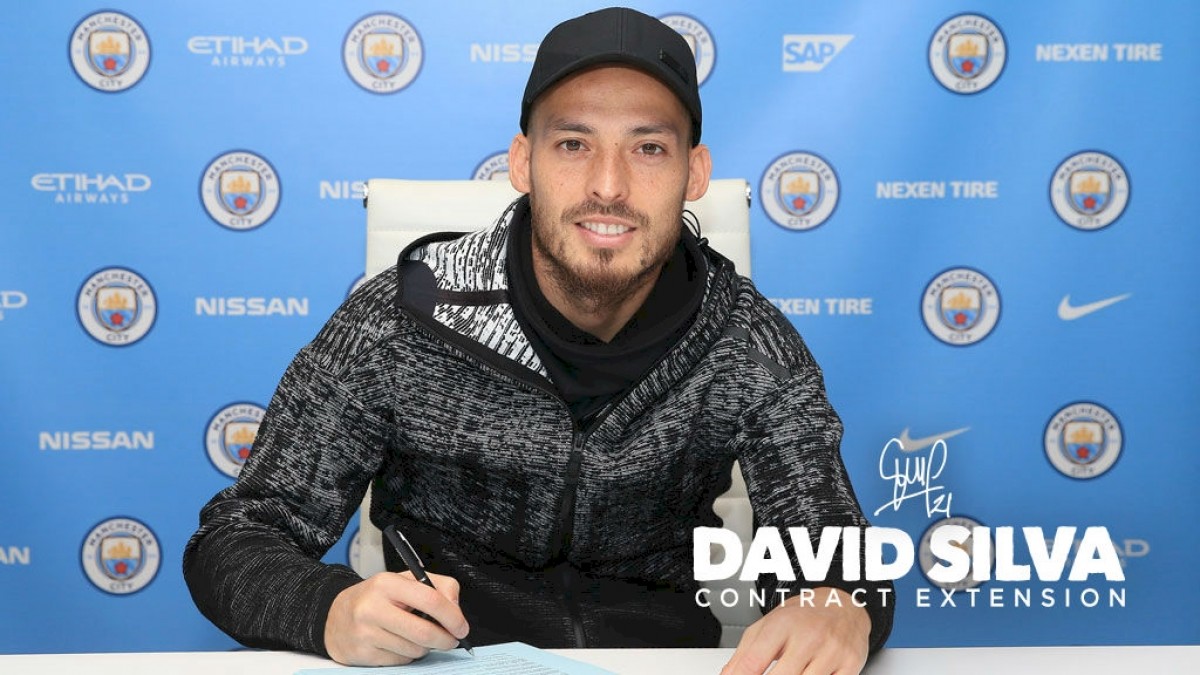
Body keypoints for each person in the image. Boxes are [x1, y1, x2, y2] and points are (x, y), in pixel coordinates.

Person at [184, 7, 893, 674]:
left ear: (695, 172)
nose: (608, 185)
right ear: (522, 162)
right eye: (573, 144)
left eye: (648, 147)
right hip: (447, 665)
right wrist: (329, 609)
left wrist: (837, 604)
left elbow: (833, 551)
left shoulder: (749, 342)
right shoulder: (397, 322)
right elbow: (235, 538)